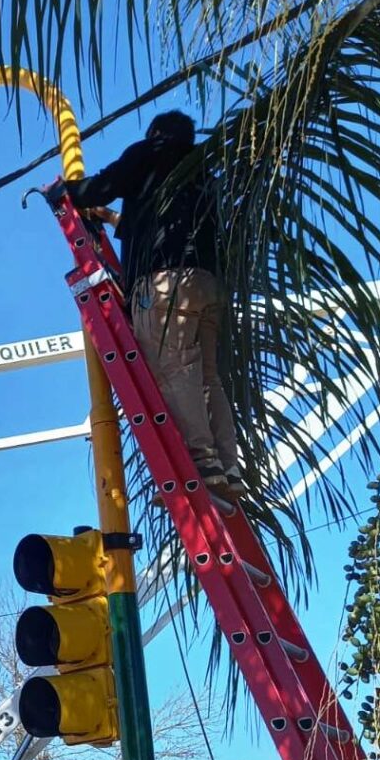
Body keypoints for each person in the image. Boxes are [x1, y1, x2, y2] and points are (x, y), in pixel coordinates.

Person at [48, 110, 242, 500]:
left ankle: (200, 462)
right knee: (208, 378)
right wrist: (110, 218)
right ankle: (229, 468)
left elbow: (102, 186)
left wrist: (65, 193)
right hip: (208, 283)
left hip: (164, 282)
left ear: (156, 134)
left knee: (174, 369)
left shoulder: (148, 153)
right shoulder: (200, 172)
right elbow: (158, 221)